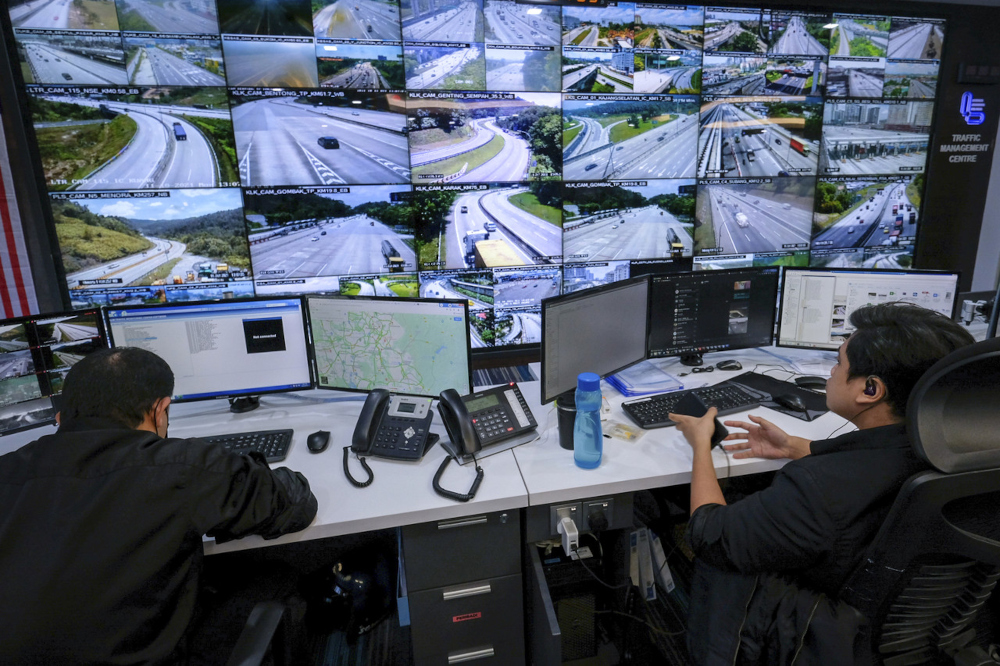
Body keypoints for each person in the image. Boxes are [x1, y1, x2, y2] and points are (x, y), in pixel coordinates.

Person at [669, 302, 976, 665]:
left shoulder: (819, 489)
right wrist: (799, 446)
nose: (830, 373)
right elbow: (874, 462)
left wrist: (701, 446)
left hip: (816, 634)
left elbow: (709, 535)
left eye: (838, 362)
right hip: (921, 632)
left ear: (871, 389)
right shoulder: (969, 455)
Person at [0, 347, 318, 665]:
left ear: (60, 419)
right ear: (160, 410)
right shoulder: (179, 467)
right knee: (278, 574)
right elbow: (295, 506)